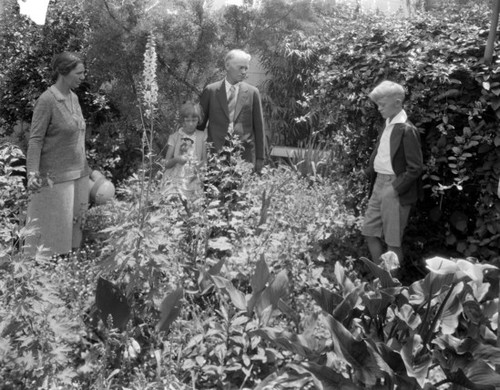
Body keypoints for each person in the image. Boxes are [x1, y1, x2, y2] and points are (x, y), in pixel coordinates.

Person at [25, 52, 90, 257]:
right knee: (50, 241)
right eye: (78, 73)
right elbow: (35, 140)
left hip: (79, 175)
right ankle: (43, 281)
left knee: (74, 236)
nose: (82, 77)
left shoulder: (74, 98)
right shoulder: (47, 101)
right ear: (64, 72)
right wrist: (32, 173)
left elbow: (76, 135)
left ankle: (69, 278)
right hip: (55, 179)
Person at [361, 80, 424, 264]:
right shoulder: (388, 123)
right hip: (378, 184)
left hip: (395, 187)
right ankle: (381, 278)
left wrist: (394, 188)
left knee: (392, 242)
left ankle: (391, 288)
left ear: (397, 103)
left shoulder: (406, 129)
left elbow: (415, 167)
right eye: (377, 104)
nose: (379, 108)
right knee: (369, 232)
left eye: (382, 104)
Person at [197, 49, 265, 173]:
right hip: (215, 155)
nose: (244, 72)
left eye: (246, 68)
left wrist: (260, 157)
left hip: (243, 157)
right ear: (227, 66)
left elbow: (259, 128)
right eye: (240, 68)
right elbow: (199, 126)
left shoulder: (252, 92)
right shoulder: (211, 91)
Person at [162, 101, 207, 200]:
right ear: (182, 121)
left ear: (198, 120)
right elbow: (166, 163)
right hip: (175, 182)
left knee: (192, 209)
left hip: (193, 180)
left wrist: (200, 170)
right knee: (174, 207)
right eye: (187, 120)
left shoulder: (202, 136)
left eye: (194, 120)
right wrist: (177, 159)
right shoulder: (174, 137)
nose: (191, 124)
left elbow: (204, 160)